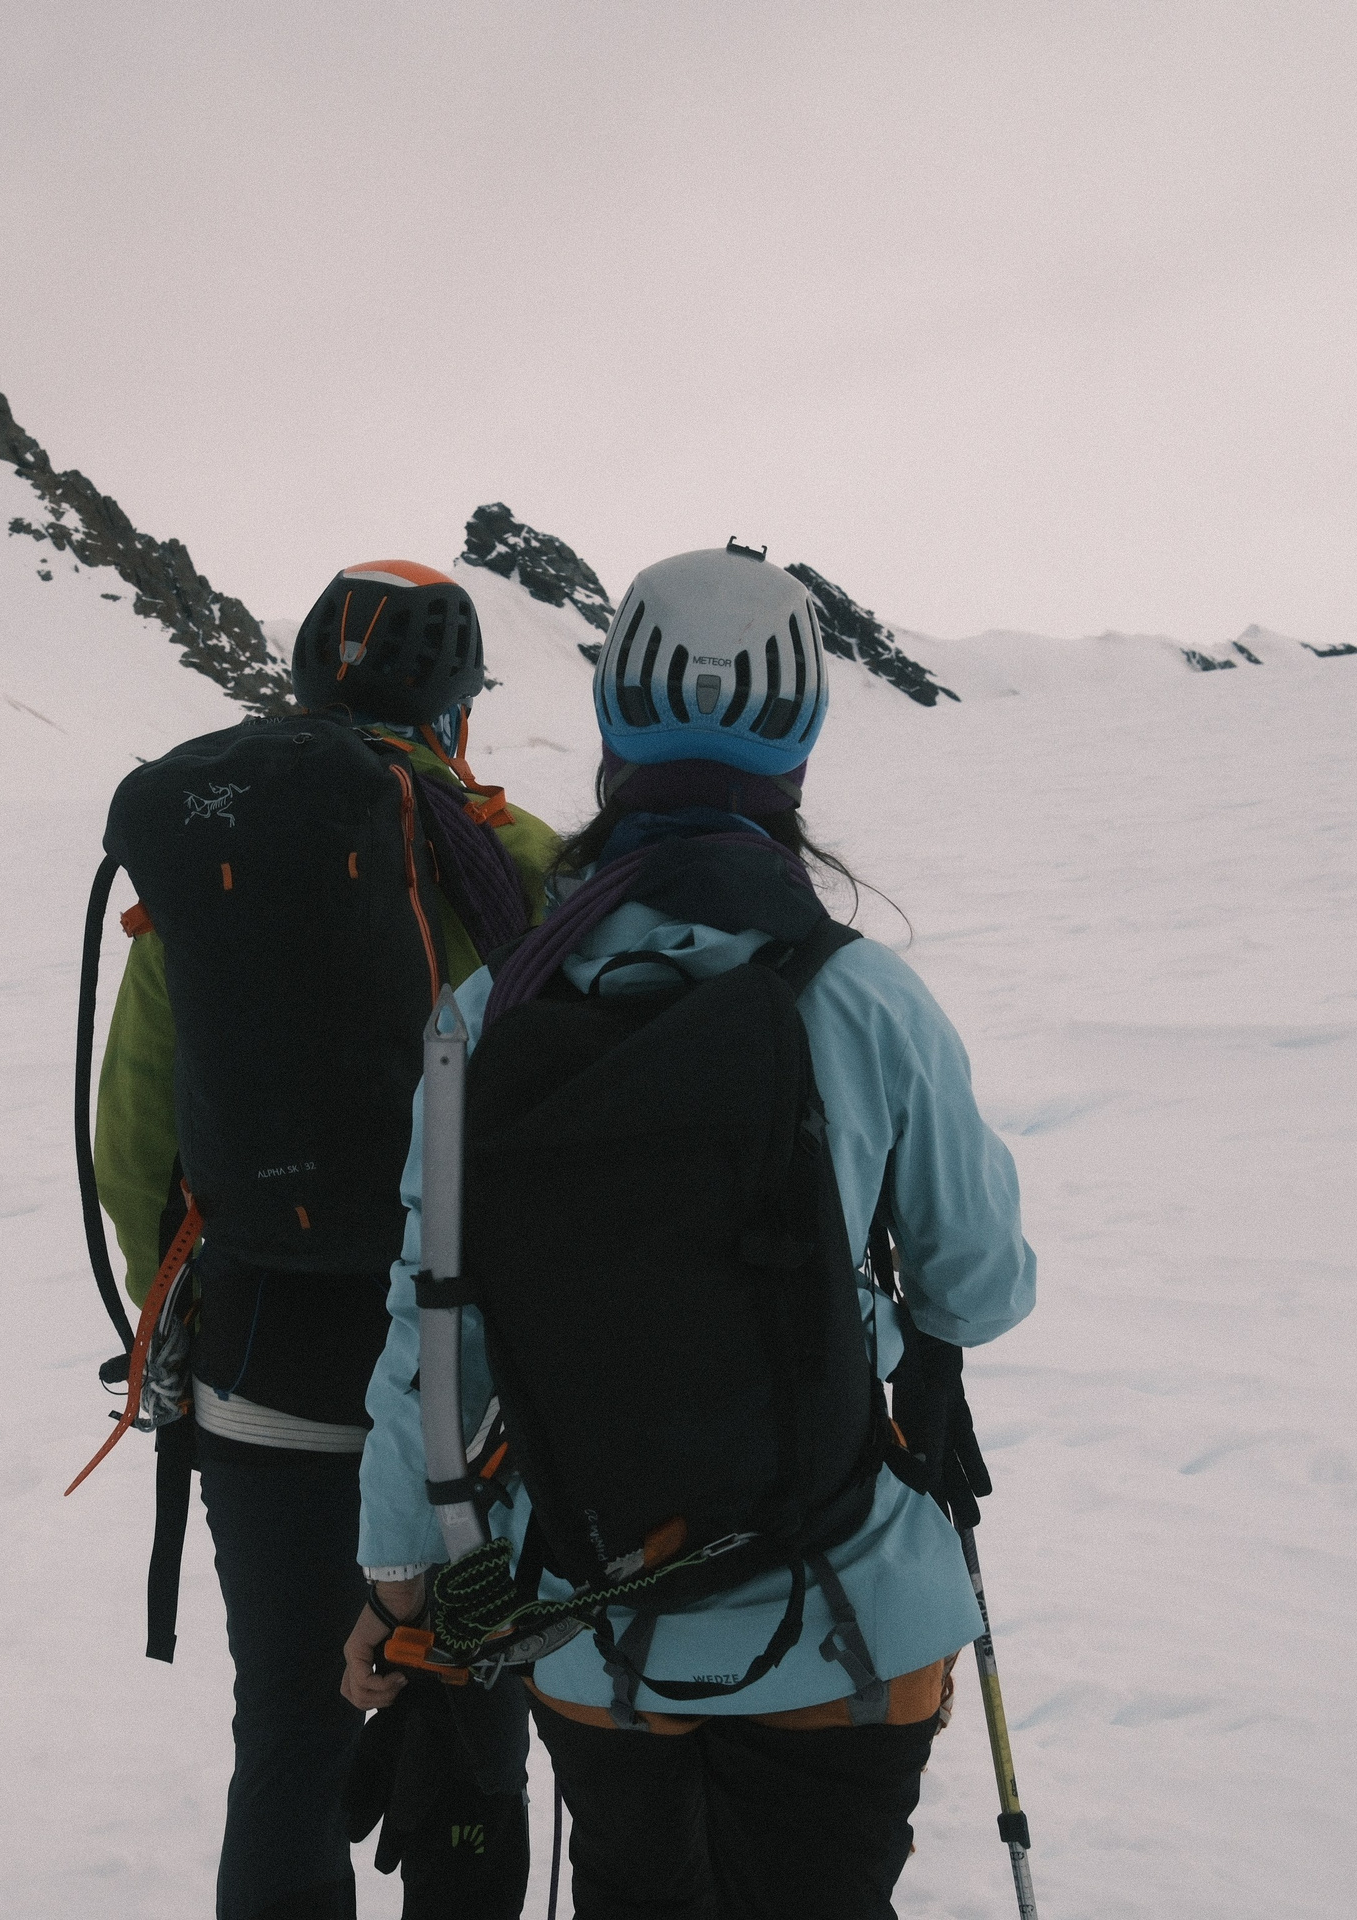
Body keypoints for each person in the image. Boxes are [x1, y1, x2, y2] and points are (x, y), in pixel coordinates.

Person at [342, 543, 1036, 1919]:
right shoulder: (865, 998)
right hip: (856, 1619)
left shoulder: (484, 1026)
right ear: (801, 750)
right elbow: (981, 1278)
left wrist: (399, 1584)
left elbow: (435, 1345)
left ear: (611, 733)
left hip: (595, 1639)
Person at [97, 559, 563, 1920]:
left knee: (290, 1731)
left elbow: (136, 1138)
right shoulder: (514, 858)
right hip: (468, 1389)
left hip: (261, 1358)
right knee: (474, 1731)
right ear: (455, 709)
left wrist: (168, 1316)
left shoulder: (209, 859)